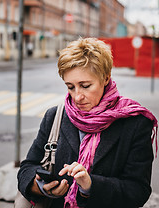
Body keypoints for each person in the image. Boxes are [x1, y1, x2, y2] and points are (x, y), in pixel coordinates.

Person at [17, 37, 158, 208]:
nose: (77, 96)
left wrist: (91, 185)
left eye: (85, 86)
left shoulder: (134, 122)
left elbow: (138, 190)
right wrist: (40, 186)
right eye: (70, 86)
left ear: (105, 78)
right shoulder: (55, 116)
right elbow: (27, 167)